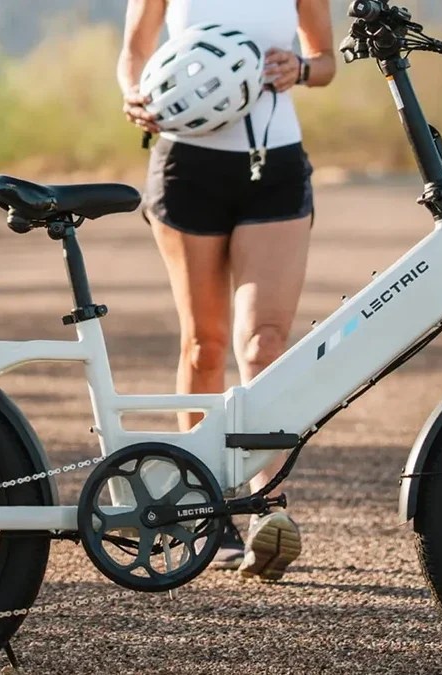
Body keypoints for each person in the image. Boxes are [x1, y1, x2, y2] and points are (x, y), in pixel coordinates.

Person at [118, 0, 335, 580]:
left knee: (264, 345)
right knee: (204, 346)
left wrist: (302, 70)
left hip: (276, 167)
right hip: (186, 168)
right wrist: (132, 93)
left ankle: (267, 506)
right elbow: (135, 50)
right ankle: (205, 507)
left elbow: (327, 59)